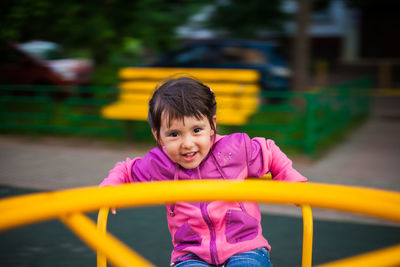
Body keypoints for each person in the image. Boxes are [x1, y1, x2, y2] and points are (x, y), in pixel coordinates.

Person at [100, 76, 307, 266]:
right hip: (191, 253)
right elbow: (126, 170)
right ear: (158, 136)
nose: (188, 144)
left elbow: (268, 151)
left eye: (196, 130)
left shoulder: (234, 150)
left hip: (245, 245)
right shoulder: (159, 164)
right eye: (174, 134)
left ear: (212, 125)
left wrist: (292, 181)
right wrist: (111, 188)